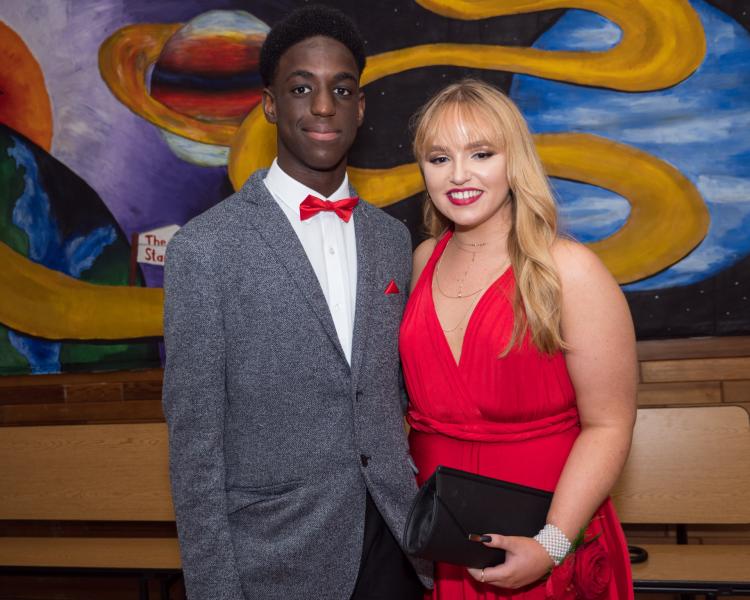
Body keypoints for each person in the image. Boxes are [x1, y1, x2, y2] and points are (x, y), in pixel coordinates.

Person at [162, 6, 429, 599]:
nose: (324, 106)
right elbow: (194, 448)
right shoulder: (205, 249)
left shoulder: (392, 240)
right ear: (270, 104)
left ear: (361, 107)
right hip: (278, 560)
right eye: (301, 88)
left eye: (342, 89)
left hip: (397, 547)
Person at [399, 79, 637, 598]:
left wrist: (551, 544)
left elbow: (609, 424)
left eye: (481, 153)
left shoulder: (570, 270)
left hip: (544, 540)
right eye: (439, 158)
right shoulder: (421, 261)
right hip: (440, 545)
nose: (458, 175)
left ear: (515, 161)